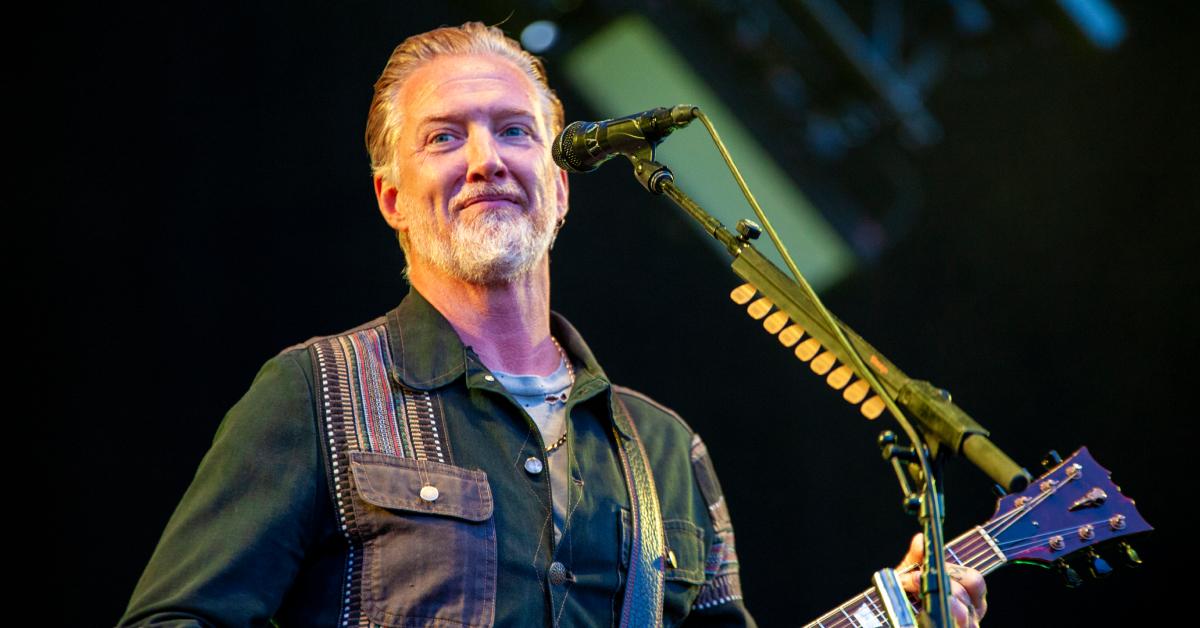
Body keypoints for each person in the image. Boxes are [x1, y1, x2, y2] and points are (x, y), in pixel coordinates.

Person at [119, 22, 986, 627]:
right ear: (393, 198)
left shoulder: (664, 449)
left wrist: (901, 618)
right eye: (444, 138)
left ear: (561, 187)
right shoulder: (316, 393)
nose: (486, 158)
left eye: (513, 131)